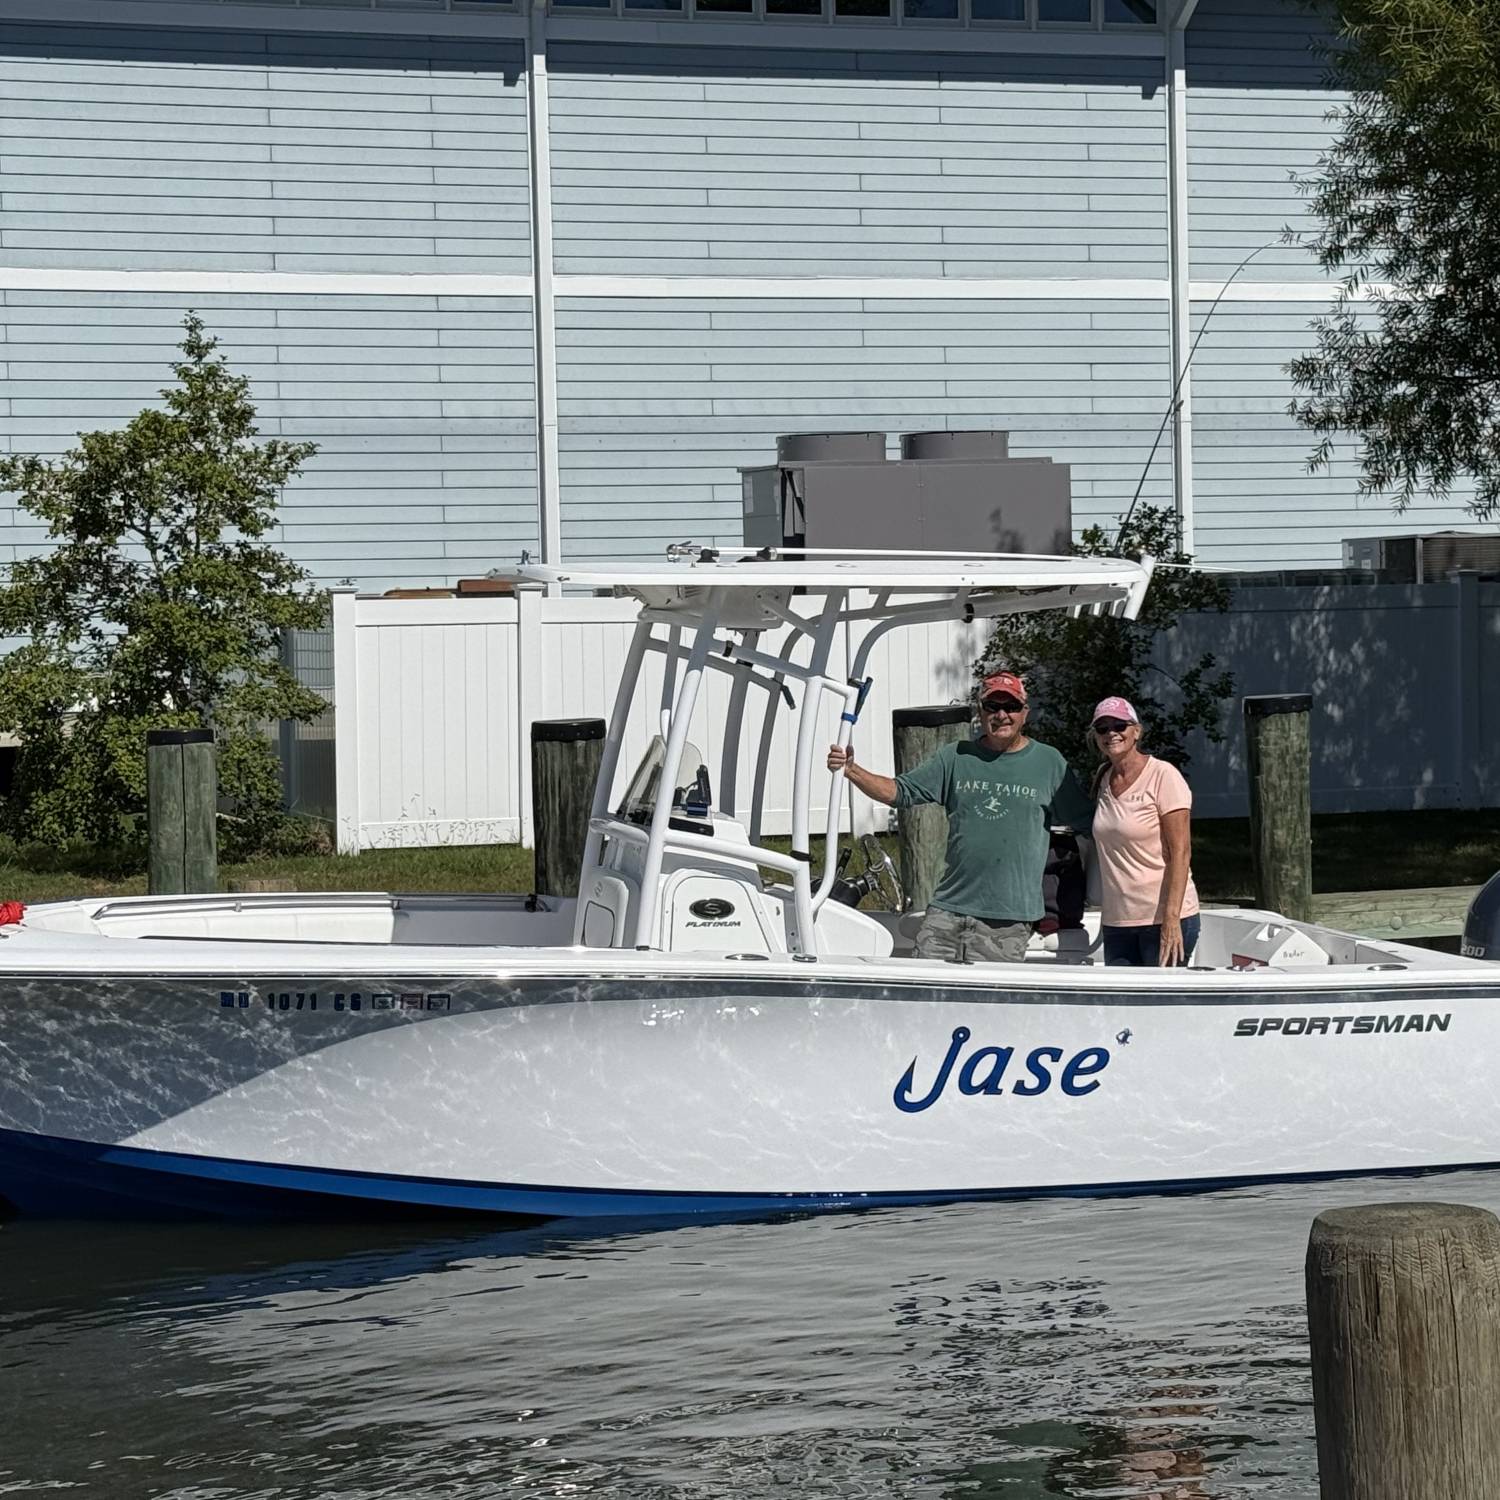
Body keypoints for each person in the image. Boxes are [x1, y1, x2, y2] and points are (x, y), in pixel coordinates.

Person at [827, 671, 1093, 963]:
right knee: (923, 994)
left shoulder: (1049, 762)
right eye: (993, 706)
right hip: (948, 910)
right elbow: (899, 792)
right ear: (980, 712)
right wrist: (851, 769)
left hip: (1008, 920)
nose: (1002, 714)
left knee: (992, 1003)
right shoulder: (955, 757)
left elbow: (1092, 822)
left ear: (1025, 713)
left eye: (1012, 707)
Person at [1087, 695, 1201, 967]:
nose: (1111, 733)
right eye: (1103, 728)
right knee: (1119, 1007)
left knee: (1164, 1006)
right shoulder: (1103, 779)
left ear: (1136, 731)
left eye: (1119, 726)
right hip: (1117, 921)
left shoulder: (1163, 775)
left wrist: (1171, 920)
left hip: (1163, 919)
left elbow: (1181, 852)